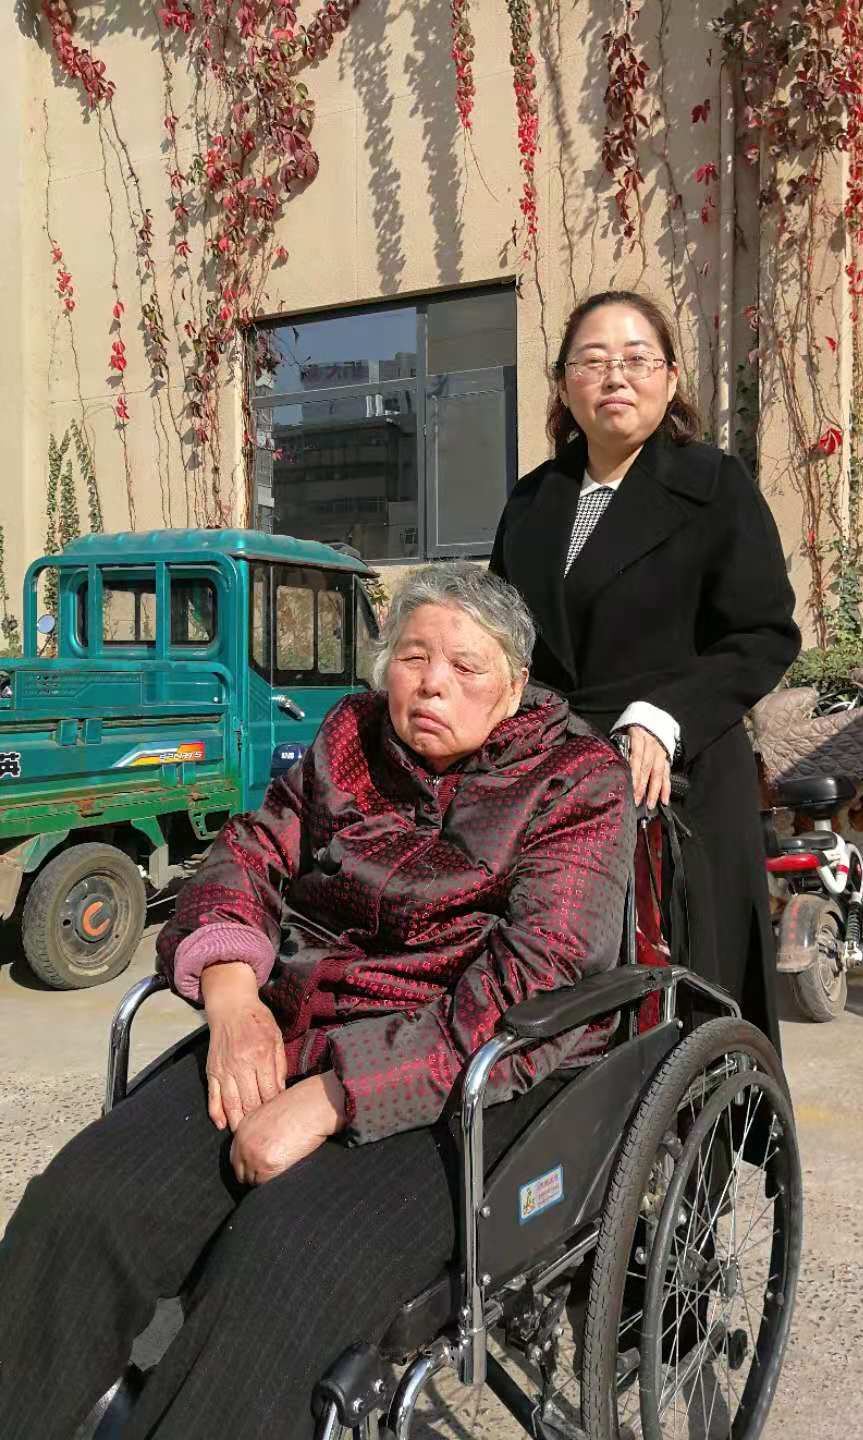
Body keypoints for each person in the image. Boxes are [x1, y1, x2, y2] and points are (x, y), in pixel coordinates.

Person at [0, 564, 635, 1440]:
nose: (433, 683)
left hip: (461, 1081)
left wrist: (336, 1096)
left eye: (465, 665)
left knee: (279, 1268)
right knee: (85, 1202)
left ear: (516, 684)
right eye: (413, 657)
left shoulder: (575, 779)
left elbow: (541, 973)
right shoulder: (351, 736)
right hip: (291, 1027)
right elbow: (248, 854)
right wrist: (233, 1002)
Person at [490, 290, 800, 1051]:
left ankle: (710, 1110)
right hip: (556, 770)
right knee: (553, 976)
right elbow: (502, 634)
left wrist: (666, 714)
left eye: (636, 359)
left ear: (669, 378)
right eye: (592, 361)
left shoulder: (715, 485)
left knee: (693, 983)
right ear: (564, 384)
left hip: (683, 769)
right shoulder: (533, 500)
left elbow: (763, 634)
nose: (615, 377)